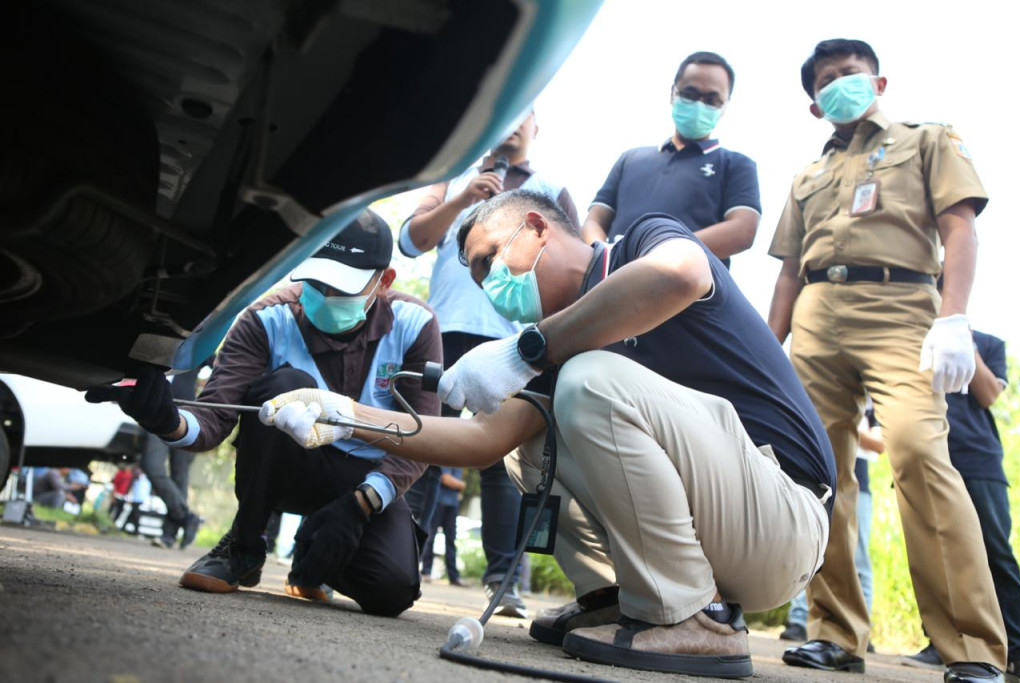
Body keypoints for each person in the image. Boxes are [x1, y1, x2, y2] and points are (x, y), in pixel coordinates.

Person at [262, 189, 836, 679]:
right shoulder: (560, 349)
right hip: (726, 531)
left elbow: (682, 274)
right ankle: (613, 597)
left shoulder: (642, 243)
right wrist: (344, 414)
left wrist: (526, 350)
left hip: (782, 517)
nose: (491, 285)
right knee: (529, 443)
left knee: (589, 382)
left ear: (536, 227)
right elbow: (483, 440)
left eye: (491, 259)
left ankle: (690, 619)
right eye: (479, 278)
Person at [766, 38, 1006, 683]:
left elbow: (960, 226)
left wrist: (953, 318)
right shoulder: (805, 176)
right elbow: (788, 271)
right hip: (816, 314)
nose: (839, 83)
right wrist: (766, 350)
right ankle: (834, 632)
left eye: (851, 72)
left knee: (920, 456)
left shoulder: (927, 141)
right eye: (826, 79)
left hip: (901, 307)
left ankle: (972, 645)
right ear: (814, 105)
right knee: (819, 472)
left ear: (879, 82)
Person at [88, 209, 442, 618]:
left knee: (391, 590)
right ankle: (245, 543)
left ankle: (312, 559)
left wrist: (362, 503)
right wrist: (167, 420)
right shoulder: (265, 318)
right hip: (287, 464)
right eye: (316, 282)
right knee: (286, 387)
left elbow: (421, 436)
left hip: (363, 477)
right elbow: (214, 418)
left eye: (341, 286)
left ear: (384, 281)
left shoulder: (415, 325)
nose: (325, 295)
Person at [398, 109, 580, 618]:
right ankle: (400, 558)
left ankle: (504, 579)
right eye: (508, 111)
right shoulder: (453, 175)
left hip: (512, 343)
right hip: (442, 332)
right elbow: (410, 241)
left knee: (503, 462)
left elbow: (575, 257)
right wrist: (464, 197)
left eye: (526, 115)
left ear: (536, 128)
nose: (514, 123)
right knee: (422, 444)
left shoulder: (549, 188)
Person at [902, 329, 1020, 680]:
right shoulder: (913, 335)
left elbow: (988, 395)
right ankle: (939, 643)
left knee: (995, 552)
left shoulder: (989, 343)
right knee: (930, 552)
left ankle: (1018, 648)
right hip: (929, 455)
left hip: (979, 459)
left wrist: (963, 339)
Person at [580, 51, 760, 269]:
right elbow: (594, 220)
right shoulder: (631, 159)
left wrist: (658, 253)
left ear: (724, 106)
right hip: (610, 279)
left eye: (711, 100)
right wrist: (605, 255)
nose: (699, 105)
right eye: (690, 94)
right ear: (673, 93)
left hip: (687, 285)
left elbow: (742, 230)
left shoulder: (736, 165)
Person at [782, 405, 883, 645]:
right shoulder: (819, 393)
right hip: (820, 479)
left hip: (858, 484)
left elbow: (880, 443)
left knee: (858, 557)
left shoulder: (869, 404)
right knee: (811, 547)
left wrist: (843, 424)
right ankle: (800, 618)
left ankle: (859, 626)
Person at [144, 366, 204, 549]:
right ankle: (186, 517)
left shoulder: (196, 349)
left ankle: (168, 535)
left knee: (180, 477)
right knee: (152, 466)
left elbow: (222, 367)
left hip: (187, 414)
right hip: (157, 409)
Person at [421, 467, 469, 587]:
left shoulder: (461, 464)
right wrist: (461, 485)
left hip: (453, 504)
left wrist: (457, 485)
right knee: (430, 538)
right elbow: (444, 478)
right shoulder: (449, 458)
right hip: (438, 501)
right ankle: (425, 571)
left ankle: (454, 576)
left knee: (451, 540)